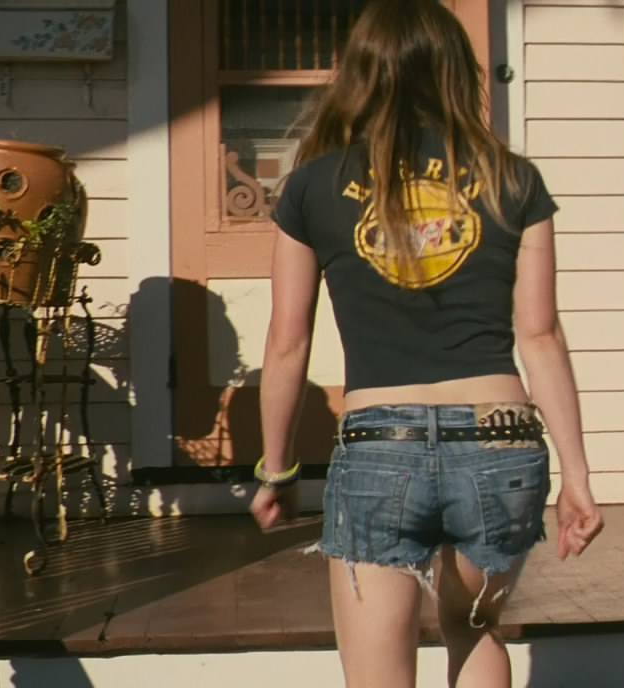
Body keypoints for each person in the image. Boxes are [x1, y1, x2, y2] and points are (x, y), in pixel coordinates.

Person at [246, 2, 604, 686]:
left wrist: (278, 470)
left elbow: (289, 342)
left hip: (381, 449)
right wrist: (578, 478)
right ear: (455, 72)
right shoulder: (513, 179)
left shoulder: (313, 186)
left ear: (359, 75)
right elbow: (541, 334)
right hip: (501, 442)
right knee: (473, 630)